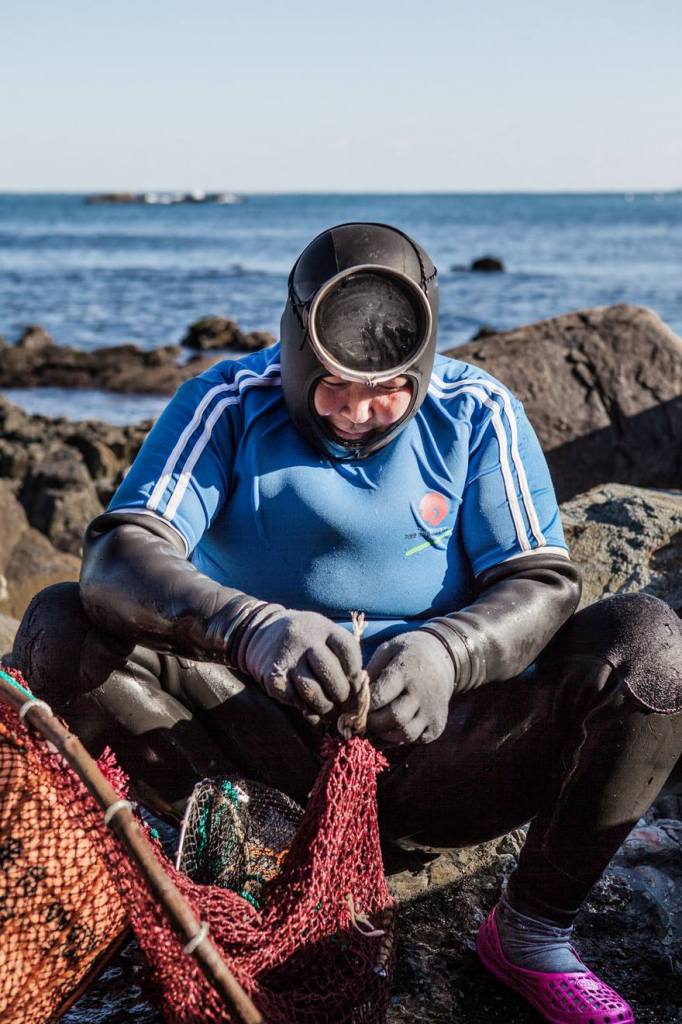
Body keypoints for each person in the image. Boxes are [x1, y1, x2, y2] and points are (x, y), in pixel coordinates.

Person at [14, 222, 682, 1024]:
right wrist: (249, 627)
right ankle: (233, 859)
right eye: (334, 386)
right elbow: (121, 554)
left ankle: (531, 931)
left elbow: (540, 580)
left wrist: (448, 650)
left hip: (437, 759)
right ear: (295, 349)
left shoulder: (476, 413)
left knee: (649, 648)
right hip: (259, 752)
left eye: (390, 388)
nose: (361, 413)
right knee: (58, 625)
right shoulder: (229, 401)